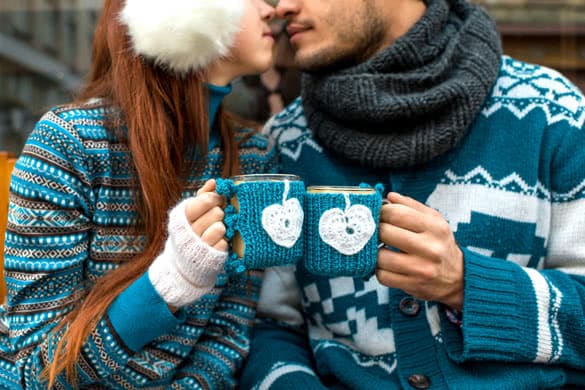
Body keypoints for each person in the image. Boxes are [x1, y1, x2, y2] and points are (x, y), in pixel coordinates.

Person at [240, 0, 585, 389]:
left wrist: (465, 285)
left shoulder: (551, 113)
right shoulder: (285, 143)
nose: (283, 6)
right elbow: (269, 328)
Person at [0, 0, 278, 388]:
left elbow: (227, 335)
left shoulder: (253, 157)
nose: (270, 10)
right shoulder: (70, 143)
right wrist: (169, 283)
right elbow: (37, 368)